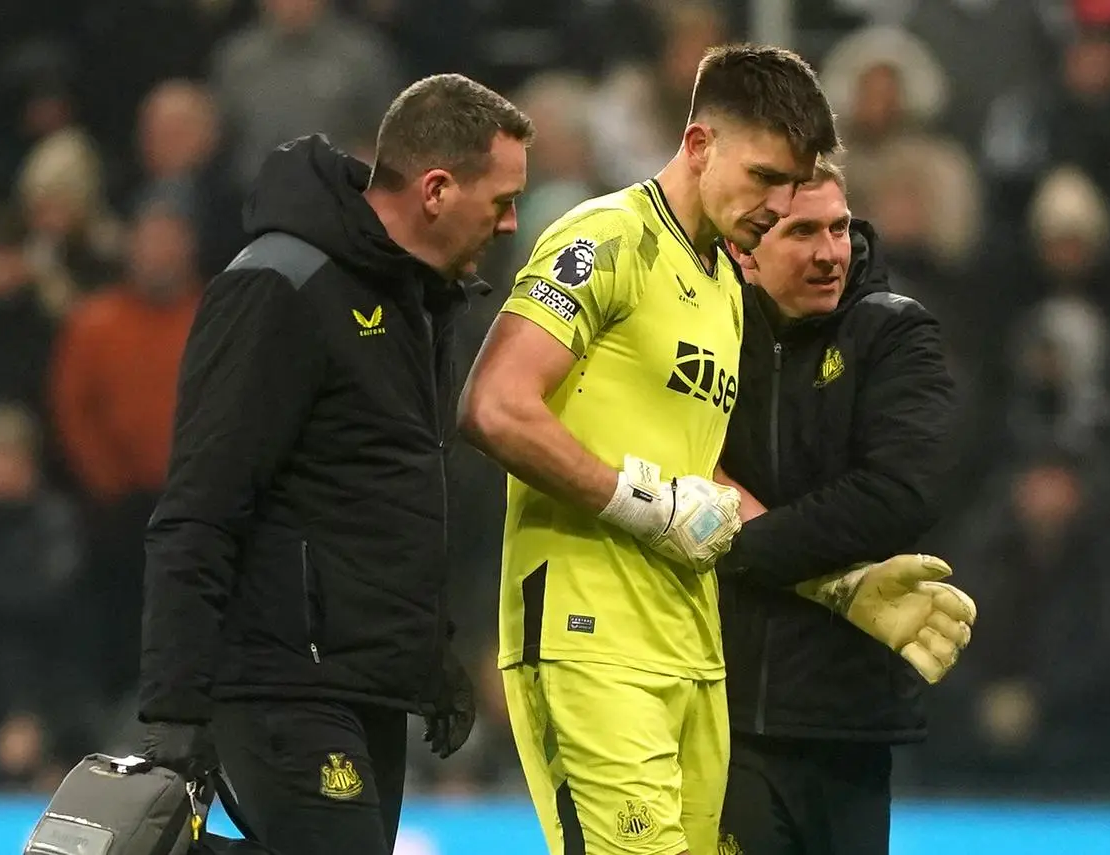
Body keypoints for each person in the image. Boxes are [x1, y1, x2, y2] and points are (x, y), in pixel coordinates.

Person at [134, 74, 533, 855]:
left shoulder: (423, 304)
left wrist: (430, 660)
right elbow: (201, 504)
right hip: (282, 679)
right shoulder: (280, 283)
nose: (512, 221)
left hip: (363, 685)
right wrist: (172, 708)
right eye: (502, 199)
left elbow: (384, 496)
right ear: (437, 189)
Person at [459, 44, 839, 855]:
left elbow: (698, 480)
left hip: (692, 648)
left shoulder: (723, 287)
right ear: (700, 144)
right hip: (587, 633)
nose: (777, 205)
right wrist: (643, 503)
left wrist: (840, 581)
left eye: (793, 184)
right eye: (765, 177)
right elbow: (494, 406)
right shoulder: (607, 237)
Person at [713, 159, 970, 855]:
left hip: (848, 720)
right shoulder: (705, 332)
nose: (831, 251)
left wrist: (737, 544)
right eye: (802, 232)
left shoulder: (893, 332)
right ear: (744, 249)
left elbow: (900, 495)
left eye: (839, 228)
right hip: (720, 709)